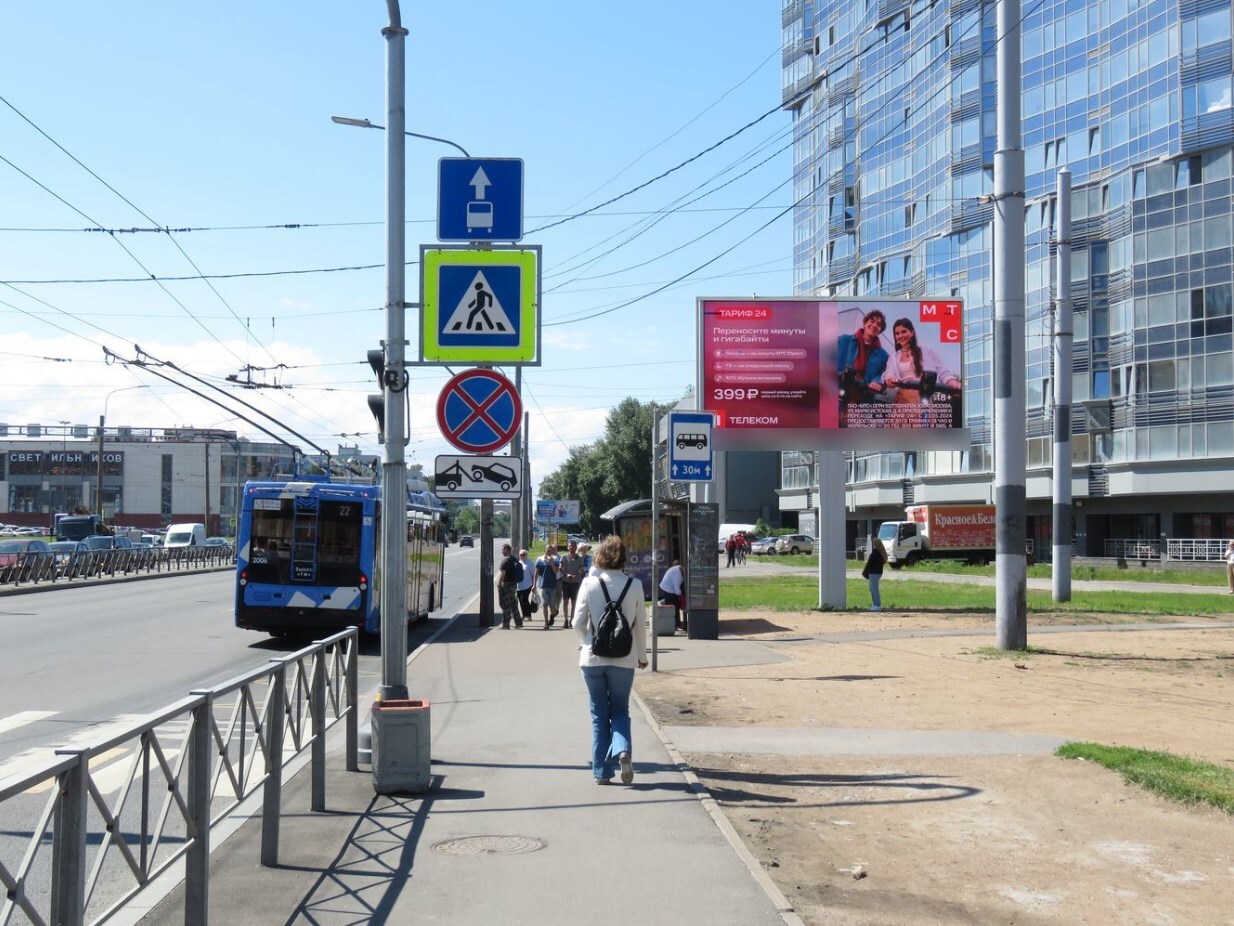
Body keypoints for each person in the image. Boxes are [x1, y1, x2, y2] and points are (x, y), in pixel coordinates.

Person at [572, 535, 648, 785]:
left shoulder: (589, 584)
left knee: (598, 714)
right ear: (623, 557)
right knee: (619, 709)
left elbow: (577, 623)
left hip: (592, 658)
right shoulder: (635, 585)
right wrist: (642, 657)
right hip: (624, 658)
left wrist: (589, 641)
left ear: (600, 556)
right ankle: (623, 751)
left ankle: (602, 772)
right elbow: (639, 626)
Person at [881, 317, 961, 404]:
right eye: (897, 333)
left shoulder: (926, 351)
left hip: (923, 397)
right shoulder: (893, 357)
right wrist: (890, 378)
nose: (900, 335)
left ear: (912, 333)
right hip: (902, 399)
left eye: (904, 331)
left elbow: (942, 371)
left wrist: (953, 383)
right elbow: (889, 372)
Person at [836, 309, 889, 396]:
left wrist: (877, 383)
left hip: (863, 398)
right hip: (837, 393)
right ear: (865, 323)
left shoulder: (883, 356)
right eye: (872, 321)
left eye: (879, 325)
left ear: (880, 331)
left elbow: (882, 375)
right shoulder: (843, 340)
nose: (874, 325)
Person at [558, 540, 586, 624]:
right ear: (567, 547)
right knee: (565, 601)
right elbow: (560, 568)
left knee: (574, 602)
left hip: (575, 582)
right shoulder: (563, 557)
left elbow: (582, 570)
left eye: (573, 546)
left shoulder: (579, 558)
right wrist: (566, 574)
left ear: (576, 548)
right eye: (570, 546)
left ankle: (572, 619)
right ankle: (566, 619)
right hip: (565, 582)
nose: (571, 548)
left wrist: (577, 575)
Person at [496, 543, 523, 629]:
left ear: (507, 550)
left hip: (506, 584)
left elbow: (503, 574)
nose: (502, 551)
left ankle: (505, 624)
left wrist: (499, 584)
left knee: (504, 604)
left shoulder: (506, 561)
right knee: (513, 604)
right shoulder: (514, 559)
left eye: (503, 549)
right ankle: (518, 623)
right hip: (514, 584)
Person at [535, 544, 562, 628]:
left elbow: (556, 572)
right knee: (544, 604)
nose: (549, 552)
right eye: (547, 550)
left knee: (552, 605)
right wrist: (533, 585)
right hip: (543, 585)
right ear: (545, 550)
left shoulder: (556, 559)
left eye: (550, 551)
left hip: (552, 585)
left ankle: (552, 615)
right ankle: (546, 622)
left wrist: (551, 563)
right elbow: (536, 573)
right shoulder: (540, 559)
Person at [659, 558, 686, 631]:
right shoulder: (679, 575)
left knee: (674, 606)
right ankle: (675, 625)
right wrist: (681, 597)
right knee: (674, 607)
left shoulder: (679, 569)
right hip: (668, 588)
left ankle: (676, 624)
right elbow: (676, 587)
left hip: (668, 587)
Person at [862, 538, 887, 612]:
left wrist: (865, 572)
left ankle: (877, 605)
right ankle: (875, 604)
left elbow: (870, 564)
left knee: (874, 589)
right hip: (876, 573)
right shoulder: (880, 553)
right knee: (872, 588)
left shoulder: (875, 553)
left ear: (875, 545)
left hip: (874, 573)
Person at [516, 548, 535, 620]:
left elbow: (533, 574)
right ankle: (526, 615)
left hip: (528, 585)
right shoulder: (518, 563)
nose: (522, 556)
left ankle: (527, 615)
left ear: (526, 555)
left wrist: (534, 585)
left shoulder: (529, 563)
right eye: (520, 555)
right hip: (519, 586)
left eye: (524, 555)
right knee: (521, 601)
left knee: (524, 599)